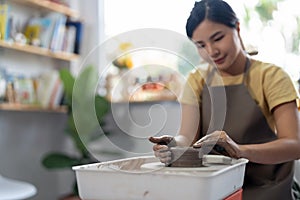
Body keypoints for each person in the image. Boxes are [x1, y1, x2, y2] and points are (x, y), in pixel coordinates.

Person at [149, 0, 300, 199]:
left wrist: (240, 151)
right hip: (217, 190)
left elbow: (295, 145)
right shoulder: (197, 80)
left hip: (269, 189)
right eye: (201, 45)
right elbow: (187, 138)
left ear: (237, 28)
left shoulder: (270, 77)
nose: (212, 51)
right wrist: (172, 145)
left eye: (218, 38)